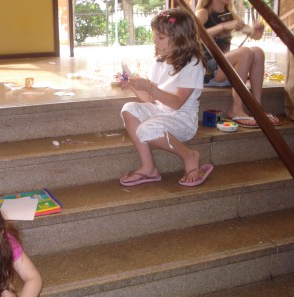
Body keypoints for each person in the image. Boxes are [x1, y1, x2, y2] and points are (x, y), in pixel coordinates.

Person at [120, 8, 213, 187]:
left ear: (180, 39)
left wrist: (149, 86)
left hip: (182, 119)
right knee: (129, 108)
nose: (155, 41)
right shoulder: (160, 61)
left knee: (146, 130)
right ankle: (148, 167)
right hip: (160, 111)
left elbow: (177, 103)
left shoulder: (192, 64)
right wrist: (134, 86)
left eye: (160, 37)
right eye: (155, 36)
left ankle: (189, 155)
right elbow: (150, 99)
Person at [195, 0, 281, 127]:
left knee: (258, 52)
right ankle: (236, 109)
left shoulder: (231, 14)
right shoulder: (203, 12)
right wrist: (223, 26)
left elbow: (254, 36)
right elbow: (191, 35)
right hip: (207, 71)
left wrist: (257, 31)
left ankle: (256, 107)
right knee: (244, 52)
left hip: (225, 70)